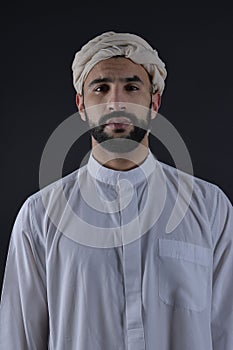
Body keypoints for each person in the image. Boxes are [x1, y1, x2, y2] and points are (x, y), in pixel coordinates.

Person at [0, 31, 232, 350]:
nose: (116, 102)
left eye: (132, 87)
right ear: (81, 105)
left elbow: (226, 331)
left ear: (154, 102)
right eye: (101, 88)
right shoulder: (40, 216)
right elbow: (18, 337)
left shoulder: (209, 208)